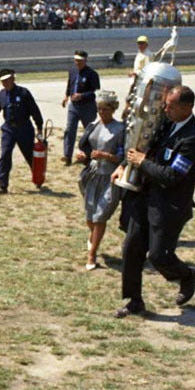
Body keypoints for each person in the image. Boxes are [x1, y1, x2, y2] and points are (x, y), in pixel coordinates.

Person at [111, 85, 195, 318]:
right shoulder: (166, 123)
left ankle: (186, 275)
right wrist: (125, 164)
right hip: (145, 196)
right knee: (131, 248)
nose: (166, 109)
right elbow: (144, 144)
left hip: (169, 204)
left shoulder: (193, 136)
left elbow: (172, 176)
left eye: (171, 106)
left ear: (187, 108)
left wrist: (142, 162)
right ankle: (134, 301)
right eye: (165, 104)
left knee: (159, 255)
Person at [74, 91, 125, 270]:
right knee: (90, 215)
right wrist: (82, 155)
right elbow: (86, 147)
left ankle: (92, 254)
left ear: (113, 109)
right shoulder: (93, 125)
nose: (101, 113)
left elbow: (123, 156)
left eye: (105, 109)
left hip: (110, 175)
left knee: (100, 215)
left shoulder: (120, 129)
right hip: (92, 174)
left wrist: (106, 155)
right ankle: (94, 237)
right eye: (99, 109)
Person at [0, 68, 44, 194]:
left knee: (30, 155)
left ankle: (38, 179)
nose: (5, 83)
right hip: (9, 129)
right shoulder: (1, 95)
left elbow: (34, 110)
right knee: (5, 155)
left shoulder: (24, 93)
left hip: (25, 129)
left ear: (13, 79)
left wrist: (39, 127)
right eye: (3, 81)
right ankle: (3, 185)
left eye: (7, 80)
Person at [60, 50, 100, 165]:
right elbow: (70, 85)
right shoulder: (72, 71)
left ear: (85, 60)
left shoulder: (92, 74)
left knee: (90, 132)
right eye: (76, 60)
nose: (78, 63)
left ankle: (90, 156)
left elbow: (93, 93)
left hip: (87, 107)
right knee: (69, 130)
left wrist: (81, 96)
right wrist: (66, 96)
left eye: (80, 61)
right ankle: (67, 156)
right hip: (73, 106)